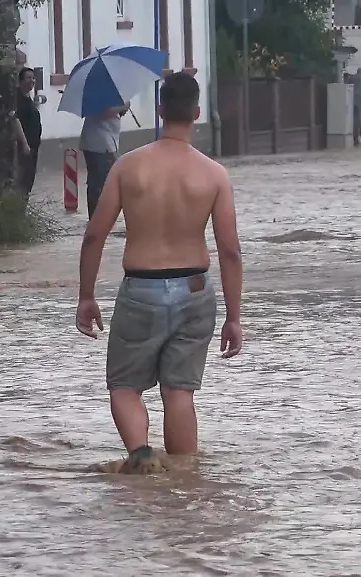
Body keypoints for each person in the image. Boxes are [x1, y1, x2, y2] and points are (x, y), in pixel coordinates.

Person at [75, 72, 244, 474]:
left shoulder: (127, 167)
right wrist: (234, 317)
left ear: (160, 110)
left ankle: (141, 455)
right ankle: (184, 482)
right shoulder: (214, 174)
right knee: (179, 392)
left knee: (124, 386)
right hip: (196, 288)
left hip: (142, 289)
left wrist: (86, 296)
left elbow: (95, 234)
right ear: (197, 113)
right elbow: (230, 251)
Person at [79, 99, 131, 218]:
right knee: (100, 183)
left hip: (100, 142)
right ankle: (98, 218)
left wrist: (122, 110)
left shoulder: (108, 93)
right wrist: (123, 107)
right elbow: (106, 112)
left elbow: (113, 114)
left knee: (97, 182)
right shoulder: (99, 94)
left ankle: (96, 217)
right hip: (100, 144)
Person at [10, 67, 42, 199]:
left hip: (33, 146)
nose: (32, 80)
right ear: (21, 81)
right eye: (28, 78)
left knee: (28, 180)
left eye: (33, 78)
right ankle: (19, 206)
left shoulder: (28, 98)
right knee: (23, 181)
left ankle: (23, 205)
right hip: (24, 147)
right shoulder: (18, 99)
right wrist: (24, 144)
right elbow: (15, 120)